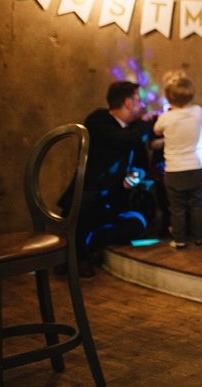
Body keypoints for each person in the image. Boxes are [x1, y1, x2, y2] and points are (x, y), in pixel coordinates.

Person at [61, 80, 155, 275]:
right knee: (87, 205)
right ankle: (76, 258)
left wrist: (135, 176)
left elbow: (142, 166)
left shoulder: (134, 130)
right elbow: (124, 140)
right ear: (128, 102)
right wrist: (147, 125)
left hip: (114, 202)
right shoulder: (98, 121)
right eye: (138, 100)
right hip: (87, 197)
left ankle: (94, 242)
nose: (142, 105)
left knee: (138, 223)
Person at [153, 71, 202, 249]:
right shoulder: (198, 112)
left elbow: (156, 131)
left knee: (177, 208)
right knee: (197, 205)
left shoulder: (165, 117)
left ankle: (179, 240)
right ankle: (199, 238)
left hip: (174, 170)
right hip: (196, 168)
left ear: (168, 98)